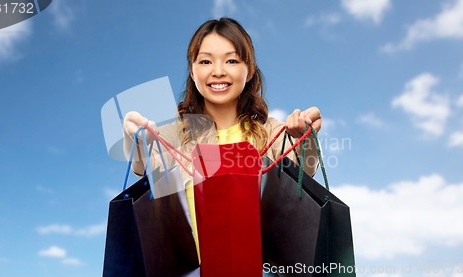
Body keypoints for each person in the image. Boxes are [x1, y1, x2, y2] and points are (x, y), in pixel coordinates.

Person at [122, 17, 322, 262]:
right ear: (193, 71)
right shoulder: (175, 134)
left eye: (231, 60)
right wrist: (135, 136)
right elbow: (142, 167)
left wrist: (306, 138)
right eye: (205, 61)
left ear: (249, 71)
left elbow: (305, 168)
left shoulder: (270, 131)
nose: (218, 71)